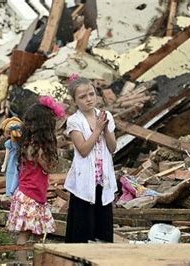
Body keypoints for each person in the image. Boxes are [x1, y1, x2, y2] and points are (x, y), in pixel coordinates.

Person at [5, 96, 65, 261]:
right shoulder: (37, 149)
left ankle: (33, 262)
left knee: (37, 234)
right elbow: (49, 167)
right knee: (26, 236)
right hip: (30, 197)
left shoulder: (29, 143)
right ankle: (24, 263)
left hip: (32, 195)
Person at [64, 75, 118, 243]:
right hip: (84, 179)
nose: (89, 99)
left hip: (102, 178)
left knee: (103, 226)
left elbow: (112, 147)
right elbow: (83, 150)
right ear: (74, 101)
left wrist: (106, 128)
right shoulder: (74, 121)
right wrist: (98, 129)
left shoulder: (105, 115)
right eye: (82, 97)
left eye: (91, 94)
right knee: (82, 227)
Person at [0, 117, 23, 197]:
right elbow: (7, 154)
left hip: (21, 159)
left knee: (19, 176)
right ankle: (10, 192)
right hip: (13, 161)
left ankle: (18, 192)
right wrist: (4, 164)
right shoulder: (9, 143)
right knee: (11, 175)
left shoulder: (22, 141)